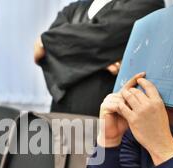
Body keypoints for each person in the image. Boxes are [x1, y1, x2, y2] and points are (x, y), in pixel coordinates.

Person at [34, 0, 164, 117]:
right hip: (60, 111)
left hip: (106, 112)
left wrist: (54, 45)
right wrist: (102, 59)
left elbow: (105, 36)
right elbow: (46, 48)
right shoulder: (72, 9)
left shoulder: (146, 3)